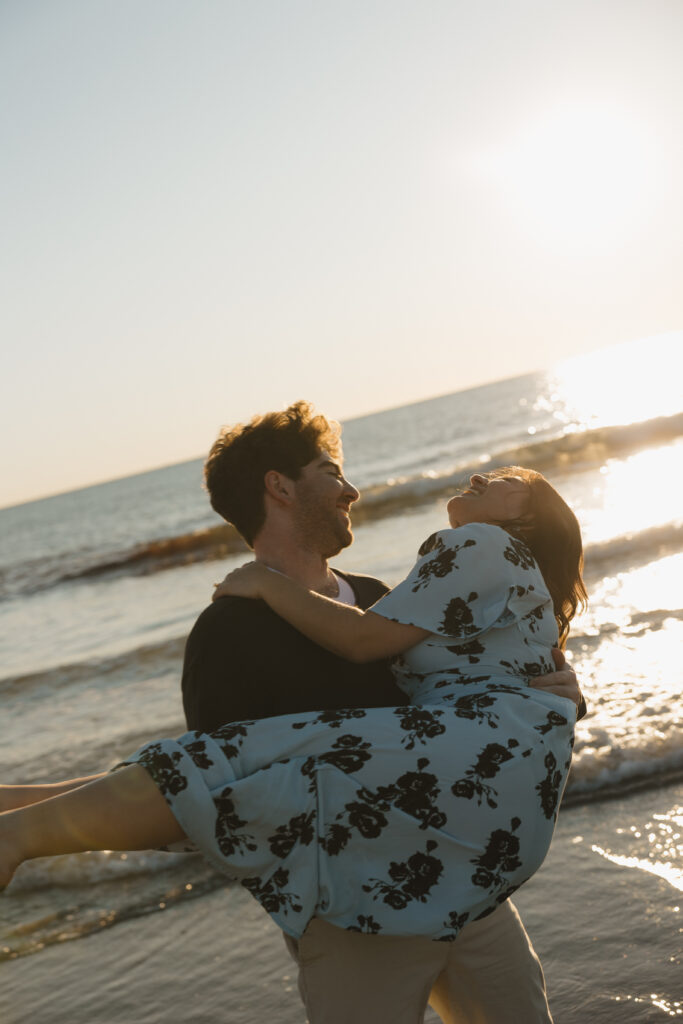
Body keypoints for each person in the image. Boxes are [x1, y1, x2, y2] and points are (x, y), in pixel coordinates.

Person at [0, 403, 587, 1024]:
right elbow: (219, 792)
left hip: (470, 881)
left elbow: (467, 690)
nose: (352, 490)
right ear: (279, 487)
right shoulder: (230, 629)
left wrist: (555, 688)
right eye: (331, 472)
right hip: (358, 914)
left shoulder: (373, 598)